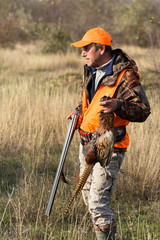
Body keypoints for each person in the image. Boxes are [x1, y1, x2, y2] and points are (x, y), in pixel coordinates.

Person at [68, 27, 151, 240]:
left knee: (97, 202)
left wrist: (118, 105)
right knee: (88, 197)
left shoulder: (126, 75)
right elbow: (91, 100)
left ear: (101, 48)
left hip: (108, 149)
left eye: (87, 48)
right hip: (87, 145)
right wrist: (78, 113)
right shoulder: (91, 69)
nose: (83, 53)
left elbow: (143, 110)